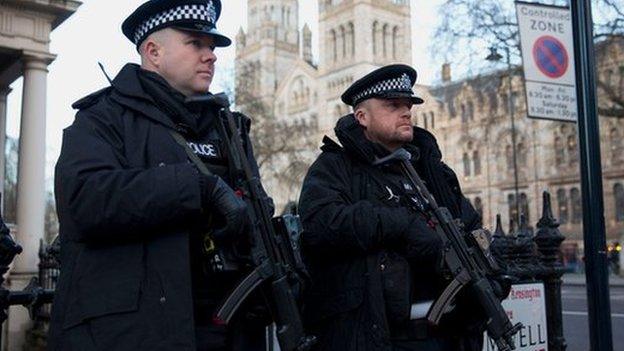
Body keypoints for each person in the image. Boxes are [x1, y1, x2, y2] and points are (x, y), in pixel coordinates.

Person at [47, 1, 269, 350]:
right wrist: (197, 188)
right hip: (132, 333)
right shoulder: (103, 117)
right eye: (196, 43)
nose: (210, 55)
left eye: (212, 47)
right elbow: (83, 199)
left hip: (226, 328)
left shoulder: (229, 128)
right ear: (153, 51)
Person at [298, 64, 485, 351]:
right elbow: (321, 223)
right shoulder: (335, 167)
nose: (406, 112)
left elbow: (470, 225)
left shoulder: (433, 171)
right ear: (362, 116)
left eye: (408, 105)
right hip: (381, 335)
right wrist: (403, 224)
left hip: (446, 334)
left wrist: (488, 271)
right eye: (393, 105)